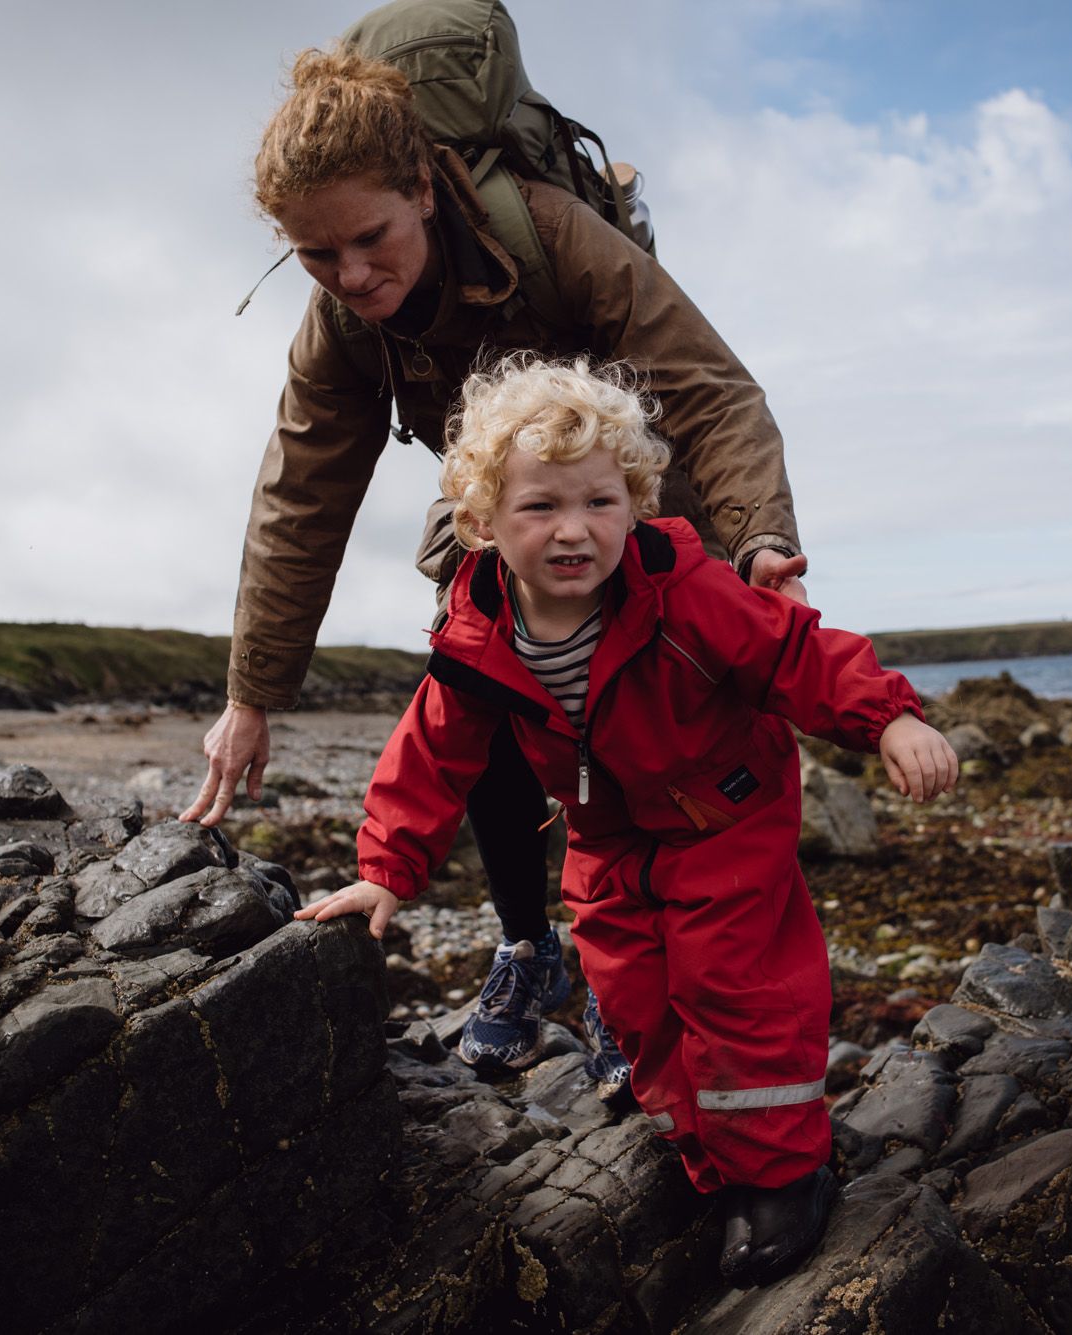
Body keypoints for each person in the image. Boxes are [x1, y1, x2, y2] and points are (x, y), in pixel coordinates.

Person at [180, 45, 812, 1084]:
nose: (351, 276)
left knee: (650, 724)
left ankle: (632, 971)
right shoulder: (341, 322)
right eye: (315, 255)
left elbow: (709, 390)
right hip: (499, 505)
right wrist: (251, 693)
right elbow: (301, 497)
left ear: (423, 190)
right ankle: (527, 944)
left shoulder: (552, 233)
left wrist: (759, 540)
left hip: (633, 492)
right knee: (484, 668)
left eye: (370, 239)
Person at [294, 355, 959, 1286]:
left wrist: (887, 716)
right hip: (609, 838)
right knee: (633, 998)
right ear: (483, 524)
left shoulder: (682, 588)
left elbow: (793, 653)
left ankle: (782, 1172)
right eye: (541, 508)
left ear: (635, 504)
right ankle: (704, 1153)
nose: (576, 530)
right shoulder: (478, 634)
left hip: (724, 812)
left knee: (737, 985)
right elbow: (431, 752)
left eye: (601, 502)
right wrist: (386, 868)